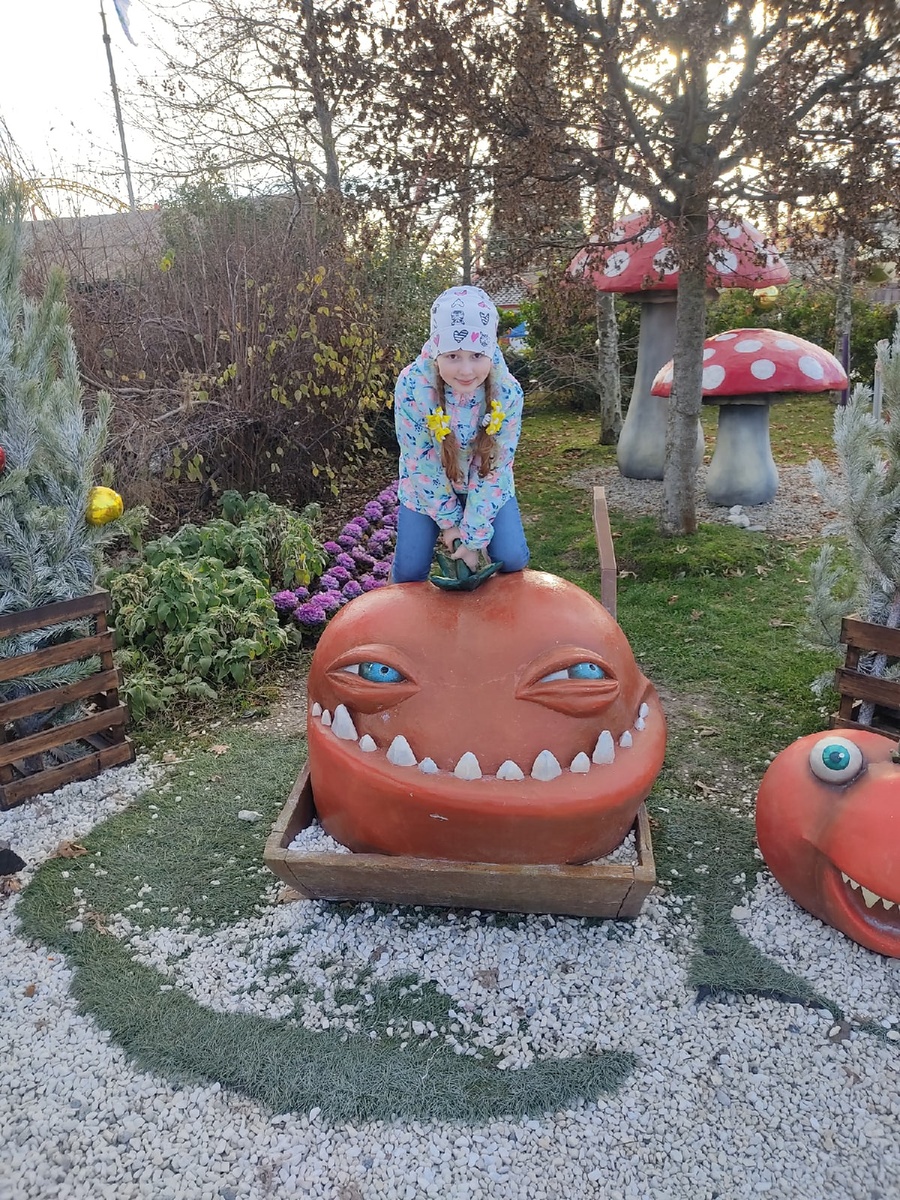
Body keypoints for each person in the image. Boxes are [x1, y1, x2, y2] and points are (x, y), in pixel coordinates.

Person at [391, 285, 530, 583]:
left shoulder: (508, 391)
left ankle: (494, 609)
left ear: (490, 350)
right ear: (436, 351)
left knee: (512, 558)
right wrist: (451, 525)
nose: (466, 371)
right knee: (409, 572)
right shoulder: (412, 386)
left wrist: (473, 538)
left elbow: (496, 466)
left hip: (486, 482)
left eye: (477, 355)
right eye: (453, 356)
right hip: (426, 486)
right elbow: (420, 461)